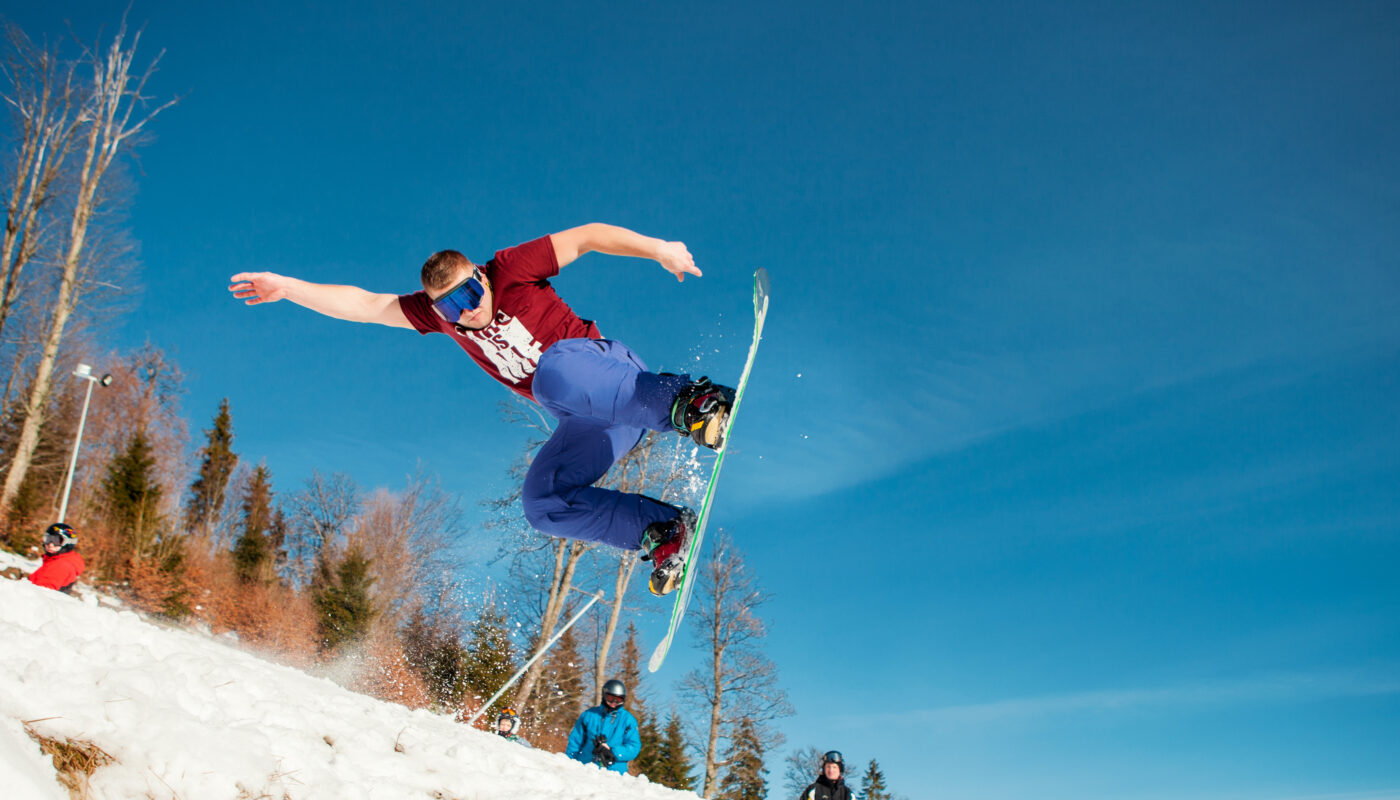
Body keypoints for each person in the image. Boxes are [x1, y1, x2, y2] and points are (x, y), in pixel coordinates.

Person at [228, 224, 733, 596]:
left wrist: (659, 250)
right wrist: (288, 287)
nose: (465, 311)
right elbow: (364, 304)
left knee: (552, 373)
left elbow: (589, 237)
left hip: (611, 375)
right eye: (449, 307)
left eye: (470, 294)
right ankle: (664, 530)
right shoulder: (442, 319)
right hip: (596, 425)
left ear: (482, 278)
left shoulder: (510, 270)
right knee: (542, 502)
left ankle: (691, 401)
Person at [565, 679, 640, 774]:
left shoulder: (628, 720)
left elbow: (634, 747)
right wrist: (569, 763)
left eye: (618, 700)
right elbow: (575, 742)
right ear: (604, 695)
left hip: (614, 773)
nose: (614, 702)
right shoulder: (589, 715)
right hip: (585, 769)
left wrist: (613, 752)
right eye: (610, 698)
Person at [27, 523, 85, 594]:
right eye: (48, 539)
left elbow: (40, 592)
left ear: (68, 543)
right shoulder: (58, 561)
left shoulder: (60, 565)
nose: (50, 544)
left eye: (57, 541)